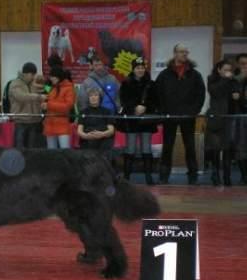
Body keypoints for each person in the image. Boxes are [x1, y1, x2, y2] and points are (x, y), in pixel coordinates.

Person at [156, 43, 206, 185]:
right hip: (169, 116)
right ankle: (164, 175)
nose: (184, 54)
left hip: (187, 117)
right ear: (175, 53)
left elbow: (200, 95)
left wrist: (193, 111)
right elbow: (158, 94)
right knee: (167, 146)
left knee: (190, 146)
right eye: (181, 52)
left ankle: (193, 175)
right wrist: (163, 111)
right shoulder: (164, 74)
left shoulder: (195, 75)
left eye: (186, 52)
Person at [119, 57, 159, 185]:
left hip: (146, 120)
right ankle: (126, 177)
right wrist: (134, 108)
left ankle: (148, 177)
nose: (140, 70)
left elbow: (156, 101)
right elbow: (123, 100)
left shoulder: (151, 84)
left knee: (146, 148)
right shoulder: (126, 83)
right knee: (130, 148)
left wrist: (146, 107)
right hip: (132, 119)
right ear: (133, 69)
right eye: (137, 68)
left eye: (142, 67)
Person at [205, 60, 240, 186]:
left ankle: (227, 176)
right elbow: (215, 92)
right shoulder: (212, 79)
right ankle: (215, 175)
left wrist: (237, 93)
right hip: (216, 118)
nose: (228, 72)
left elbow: (237, 94)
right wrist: (225, 80)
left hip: (229, 118)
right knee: (215, 148)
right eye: (225, 69)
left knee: (227, 149)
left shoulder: (233, 81)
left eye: (229, 70)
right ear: (219, 70)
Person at [9, 62, 47, 148]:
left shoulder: (33, 84)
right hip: (21, 120)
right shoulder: (15, 84)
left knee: (32, 149)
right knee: (20, 148)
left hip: (34, 120)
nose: (33, 77)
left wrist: (42, 103)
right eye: (32, 75)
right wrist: (38, 97)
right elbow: (21, 96)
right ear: (26, 74)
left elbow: (41, 93)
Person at [42, 66, 75, 149]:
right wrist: (43, 104)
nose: (51, 78)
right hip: (50, 125)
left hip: (62, 126)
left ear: (58, 76)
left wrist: (49, 105)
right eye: (50, 76)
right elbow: (48, 102)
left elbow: (67, 106)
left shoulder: (69, 88)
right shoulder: (52, 88)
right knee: (51, 154)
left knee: (65, 153)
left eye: (52, 76)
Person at [77, 87, 115, 158]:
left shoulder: (107, 111)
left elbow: (111, 130)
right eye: (91, 96)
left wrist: (102, 134)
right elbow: (79, 131)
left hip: (104, 140)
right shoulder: (83, 112)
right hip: (87, 140)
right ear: (88, 98)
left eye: (96, 95)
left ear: (100, 97)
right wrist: (86, 136)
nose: (93, 97)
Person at [234, 53, 247, 185]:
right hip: (240, 118)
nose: (245, 66)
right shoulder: (234, 79)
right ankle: (244, 176)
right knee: (241, 148)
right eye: (243, 63)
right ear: (238, 65)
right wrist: (241, 78)